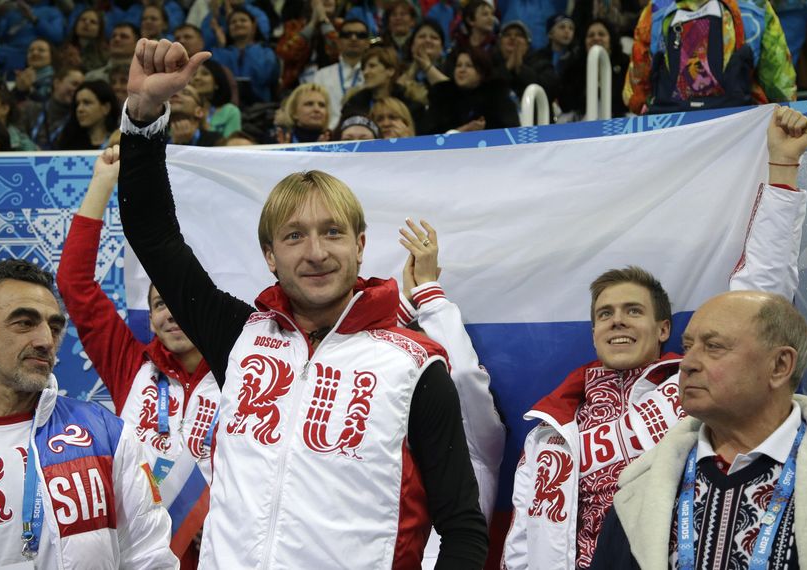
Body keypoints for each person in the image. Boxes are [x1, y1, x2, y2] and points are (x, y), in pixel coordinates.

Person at [118, 37, 489, 568]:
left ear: (360, 246)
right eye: (294, 237)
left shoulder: (416, 365)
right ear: (270, 255)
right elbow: (154, 236)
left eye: (332, 232)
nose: (315, 253)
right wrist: (146, 113)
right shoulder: (238, 336)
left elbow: (462, 529)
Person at [502, 106, 807, 570]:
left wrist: (783, 170)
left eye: (633, 311)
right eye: (605, 314)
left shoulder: (691, 390)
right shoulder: (550, 432)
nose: (617, 322)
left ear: (664, 329)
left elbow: (757, 301)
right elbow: (521, 546)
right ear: (593, 332)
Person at [0, 259, 177, 568]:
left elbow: (151, 558)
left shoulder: (107, 435)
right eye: (24, 322)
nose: (45, 341)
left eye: (54, 327)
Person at [58, 146, 218, 569]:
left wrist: (220, 519)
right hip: (137, 551)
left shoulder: (244, 366)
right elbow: (75, 284)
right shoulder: (130, 364)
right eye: (160, 305)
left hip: (224, 549)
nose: (172, 314)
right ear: (150, 317)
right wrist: (101, 185)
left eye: (180, 302)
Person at [590, 291, 807, 569]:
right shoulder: (638, 493)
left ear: (780, 365)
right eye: (688, 347)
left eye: (713, 346)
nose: (687, 363)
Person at [397, 219, 506, 569]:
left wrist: (428, 292)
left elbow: (462, 376)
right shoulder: (387, 438)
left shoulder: (478, 444)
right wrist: (406, 307)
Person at [624, 0, 795, 114]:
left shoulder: (656, 9)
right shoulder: (754, 5)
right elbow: (779, 81)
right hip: (740, 125)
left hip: (673, 127)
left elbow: (635, 88)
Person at [421, 45, 520, 134]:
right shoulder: (442, 95)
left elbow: (511, 131)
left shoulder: (497, 94)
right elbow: (429, 135)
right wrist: (461, 131)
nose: (461, 70)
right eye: (458, 65)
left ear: (482, 72)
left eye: (469, 66)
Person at [558, 18, 629, 121]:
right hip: (582, 121)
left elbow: (626, 101)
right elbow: (566, 104)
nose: (596, 38)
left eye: (601, 34)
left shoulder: (625, 64)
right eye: (591, 35)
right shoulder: (573, 68)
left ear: (611, 39)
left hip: (618, 120)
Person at [341, 46, 427, 131]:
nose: (365, 72)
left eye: (372, 66)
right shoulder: (353, 105)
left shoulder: (411, 106)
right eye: (364, 68)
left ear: (390, 71)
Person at [211, 6, 280, 104]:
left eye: (243, 20)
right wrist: (221, 46)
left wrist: (252, 49)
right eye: (233, 22)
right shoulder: (220, 52)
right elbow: (217, 79)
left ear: (254, 26)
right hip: (226, 107)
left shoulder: (266, 52)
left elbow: (263, 76)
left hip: (260, 108)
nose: (238, 24)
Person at [313, 18, 370, 128]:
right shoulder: (322, 75)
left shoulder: (375, 75)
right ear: (338, 42)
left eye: (360, 35)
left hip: (363, 134)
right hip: (328, 135)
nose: (353, 38)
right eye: (347, 34)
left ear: (368, 42)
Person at [276, 0, 341, 90]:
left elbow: (340, 53)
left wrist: (324, 21)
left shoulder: (342, 27)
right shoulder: (293, 26)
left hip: (334, 86)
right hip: (296, 88)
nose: (328, 0)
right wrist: (312, 24)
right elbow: (287, 53)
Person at [19, 66, 84, 150]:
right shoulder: (30, 109)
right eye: (74, 84)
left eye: (81, 87)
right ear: (57, 83)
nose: (77, 90)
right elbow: (18, 135)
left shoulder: (79, 118)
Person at [492, 20, 558, 101]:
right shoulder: (490, 63)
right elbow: (486, 90)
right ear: (500, 43)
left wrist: (520, 68)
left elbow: (549, 91)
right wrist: (507, 67)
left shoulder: (542, 63)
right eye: (507, 35)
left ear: (527, 44)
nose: (512, 38)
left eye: (519, 35)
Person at [56, 80, 120, 150]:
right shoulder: (67, 141)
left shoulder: (120, 140)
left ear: (106, 108)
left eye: (87, 103)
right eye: (77, 104)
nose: (79, 109)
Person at [189, 59, 241, 137]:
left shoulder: (230, 111)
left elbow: (231, 145)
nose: (197, 78)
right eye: (193, 74)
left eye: (205, 73)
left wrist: (204, 127)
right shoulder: (180, 107)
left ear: (217, 83)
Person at [61, 8, 109, 73]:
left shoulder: (104, 53)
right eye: (83, 20)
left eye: (93, 22)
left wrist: (80, 66)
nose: (87, 23)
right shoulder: (65, 48)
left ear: (99, 29)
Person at [13, 38, 55, 102]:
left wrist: (29, 90)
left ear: (52, 55)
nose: (34, 53)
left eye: (41, 50)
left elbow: (46, 103)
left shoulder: (56, 79)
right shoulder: (22, 78)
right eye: (31, 51)